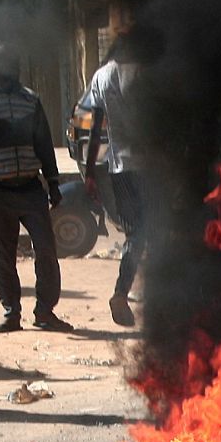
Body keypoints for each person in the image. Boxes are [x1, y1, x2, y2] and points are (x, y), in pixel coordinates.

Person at [0, 46, 71, 333]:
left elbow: (44, 144)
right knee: (2, 255)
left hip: (32, 189)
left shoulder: (31, 101)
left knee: (46, 250)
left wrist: (53, 182)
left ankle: (45, 311)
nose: (16, 68)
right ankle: (11, 313)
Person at [83, 27, 162, 327]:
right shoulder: (145, 74)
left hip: (119, 168)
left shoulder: (101, 76)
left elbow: (94, 129)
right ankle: (145, 297)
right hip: (150, 166)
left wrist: (91, 171)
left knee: (136, 233)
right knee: (152, 232)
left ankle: (126, 293)